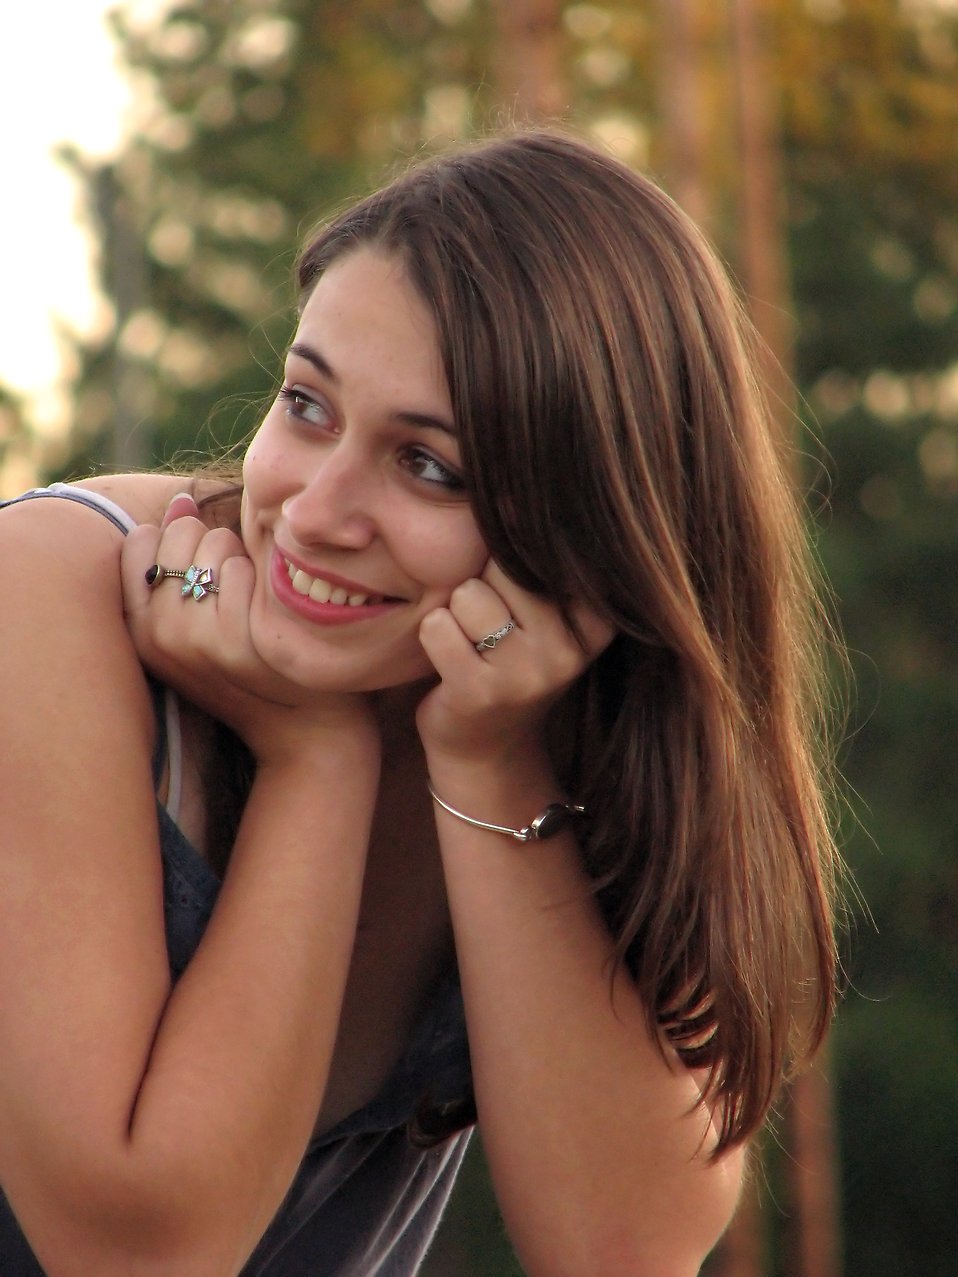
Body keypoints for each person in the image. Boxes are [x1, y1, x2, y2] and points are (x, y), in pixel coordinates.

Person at [0, 129, 841, 1276]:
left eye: (428, 466)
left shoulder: (576, 731)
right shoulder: (48, 596)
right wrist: (317, 762)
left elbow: (620, 1247)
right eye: (307, 405)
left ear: (590, 518)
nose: (313, 510)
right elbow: (136, 1250)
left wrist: (491, 767)